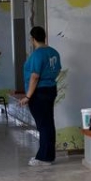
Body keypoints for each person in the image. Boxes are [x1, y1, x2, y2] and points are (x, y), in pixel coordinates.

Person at [16, 25, 62, 166]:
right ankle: (49, 155)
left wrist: (28, 96)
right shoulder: (54, 52)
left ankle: (44, 158)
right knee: (48, 123)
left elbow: (35, 76)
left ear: (32, 39)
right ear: (44, 37)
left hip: (39, 92)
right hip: (51, 89)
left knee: (43, 125)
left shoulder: (37, 54)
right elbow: (58, 70)